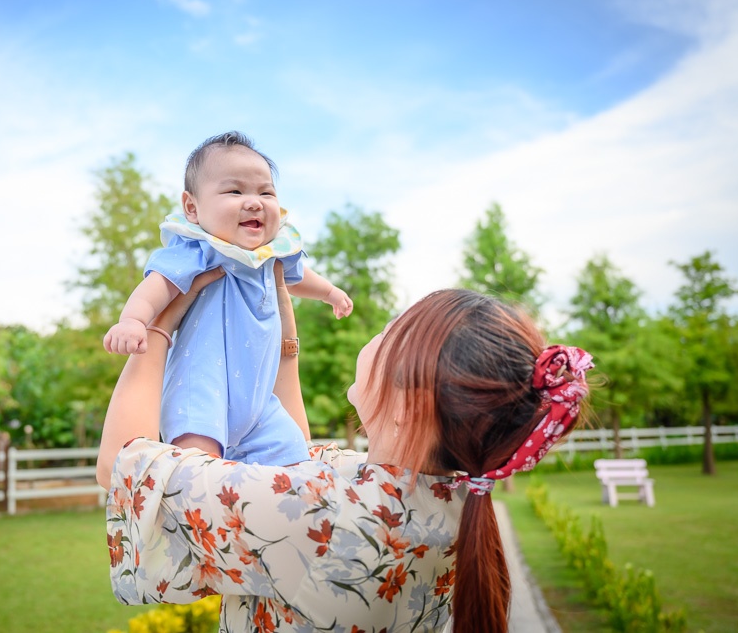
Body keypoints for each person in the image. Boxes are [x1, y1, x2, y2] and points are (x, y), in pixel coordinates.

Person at [99, 263, 594, 633]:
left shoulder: (324, 513)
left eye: (391, 333)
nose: (378, 335)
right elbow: (292, 462)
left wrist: (159, 326)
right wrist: (280, 328)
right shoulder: (439, 496)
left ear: (409, 406)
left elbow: (127, 467)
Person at [103, 131, 353, 466]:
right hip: (201, 393)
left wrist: (330, 293)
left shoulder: (271, 254)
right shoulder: (199, 247)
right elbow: (157, 286)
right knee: (199, 472)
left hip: (260, 402)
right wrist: (132, 320)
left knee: (296, 463)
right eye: (235, 191)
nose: (254, 202)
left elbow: (299, 277)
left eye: (266, 192)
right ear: (192, 208)